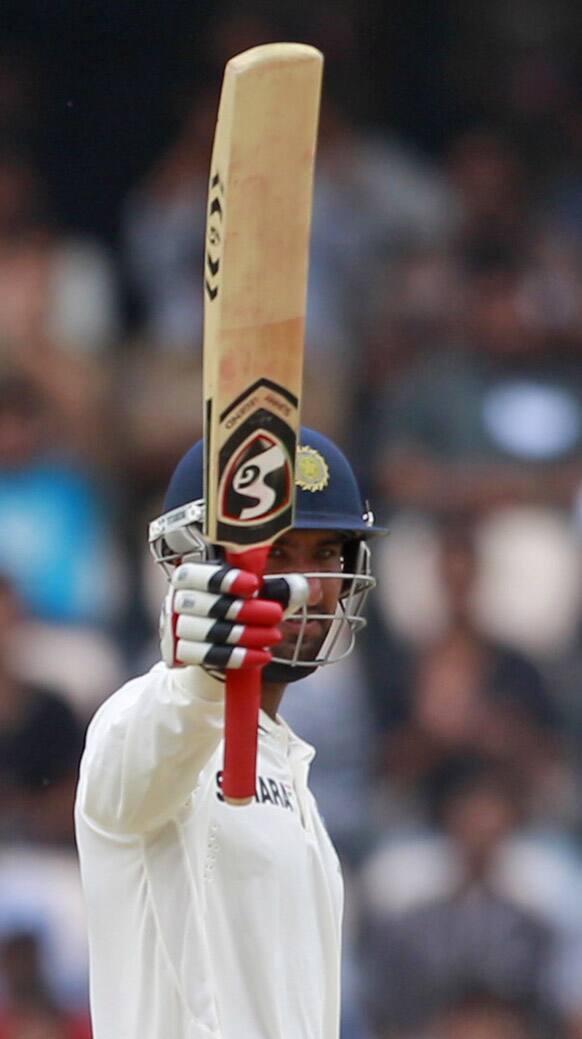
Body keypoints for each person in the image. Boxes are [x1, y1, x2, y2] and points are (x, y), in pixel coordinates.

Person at [75, 427, 383, 1039]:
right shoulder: (147, 717)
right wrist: (201, 676)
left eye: (326, 554)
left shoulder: (289, 762)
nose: (310, 589)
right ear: (194, 566)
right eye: (278, 554)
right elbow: (146, 749)